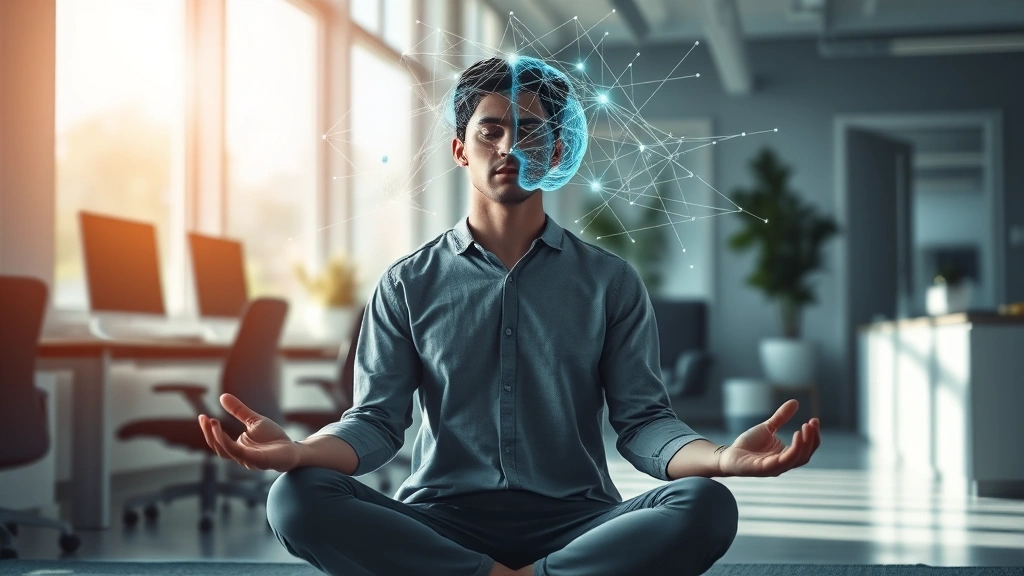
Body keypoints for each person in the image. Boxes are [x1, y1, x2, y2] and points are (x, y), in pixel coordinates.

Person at [197, 56, 821, 576]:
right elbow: (377, 424)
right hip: (440, 520)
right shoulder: (408, 282)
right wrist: (302, 453)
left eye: (529, 131)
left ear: (555, 150)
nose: (509, 147)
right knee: (297, 499)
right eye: (490, 130)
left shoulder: (610, 282)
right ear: (460, 149)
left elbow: (643, 423)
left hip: (578, 521)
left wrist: (718, 459)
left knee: (707, 504)